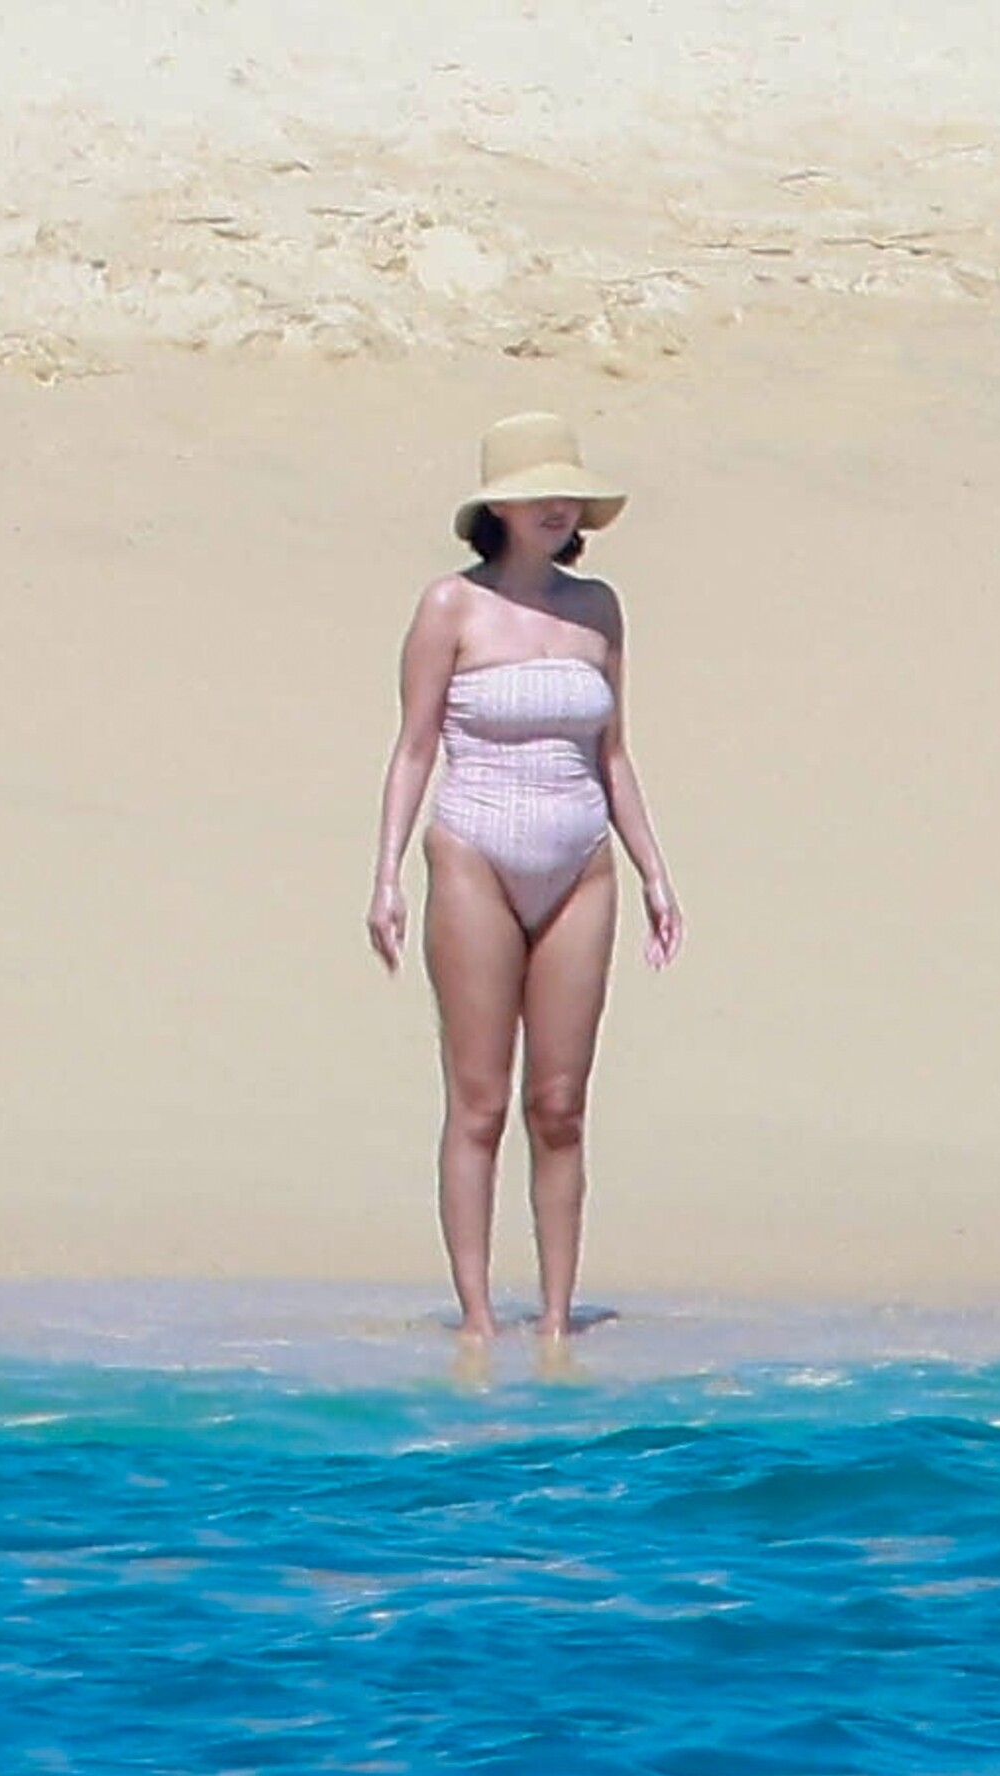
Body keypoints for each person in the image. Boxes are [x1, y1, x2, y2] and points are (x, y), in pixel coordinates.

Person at [367, 412, 683, 1341]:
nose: (557, 508)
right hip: (474, 853)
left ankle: (553, 1323)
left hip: (580, 863)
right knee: (480, 1101)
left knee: (559, 1106)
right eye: (538, 494)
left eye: (568, 496)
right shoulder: (449, 608)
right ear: (497, 509)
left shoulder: (599, 610)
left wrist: (655, 873)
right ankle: (476, 1321)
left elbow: (613, 754)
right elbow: (414, 747)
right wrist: (386, 875)